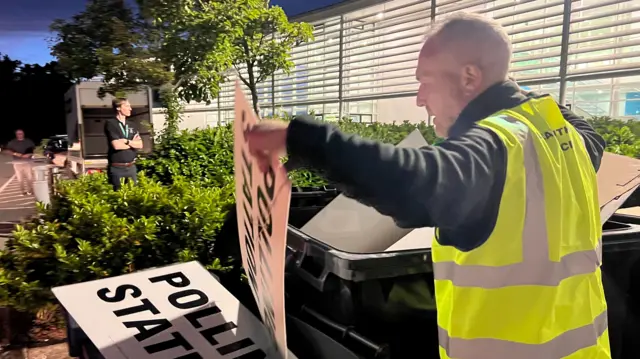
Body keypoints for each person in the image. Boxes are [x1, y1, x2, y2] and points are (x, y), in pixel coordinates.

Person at [246, 11, 609, 359]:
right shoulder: (571, 138)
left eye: (425, 80)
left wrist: (303, 140)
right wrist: (504, 85)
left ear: (469, 77)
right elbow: (555, 111)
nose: (420, 98)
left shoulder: (493, 148)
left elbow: (417, 181)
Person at [105, 98, 143, 190]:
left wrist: (126, 141)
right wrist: (133, 143)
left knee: (134, 195)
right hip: (117, 168)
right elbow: (117, 146)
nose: (130, 109)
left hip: (131, 167)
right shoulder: (111, 123)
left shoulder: (132, 124)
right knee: (118, 196)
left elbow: (140, 145)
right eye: (127, 106)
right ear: (118, 108)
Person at [7, 129, 36, 195]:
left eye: (21, 133)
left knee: (30, 177)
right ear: (16, 134)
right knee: (20, 178)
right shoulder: (12, 142)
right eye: (18, 134)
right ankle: (23, 191)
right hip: (17, 163)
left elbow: (32, 150)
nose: (20, 135)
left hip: (27, 162)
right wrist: (15, 154)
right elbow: (8, 151)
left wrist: (29, 154)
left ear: (23, 134)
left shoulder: (28, 141)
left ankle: (30, 190)